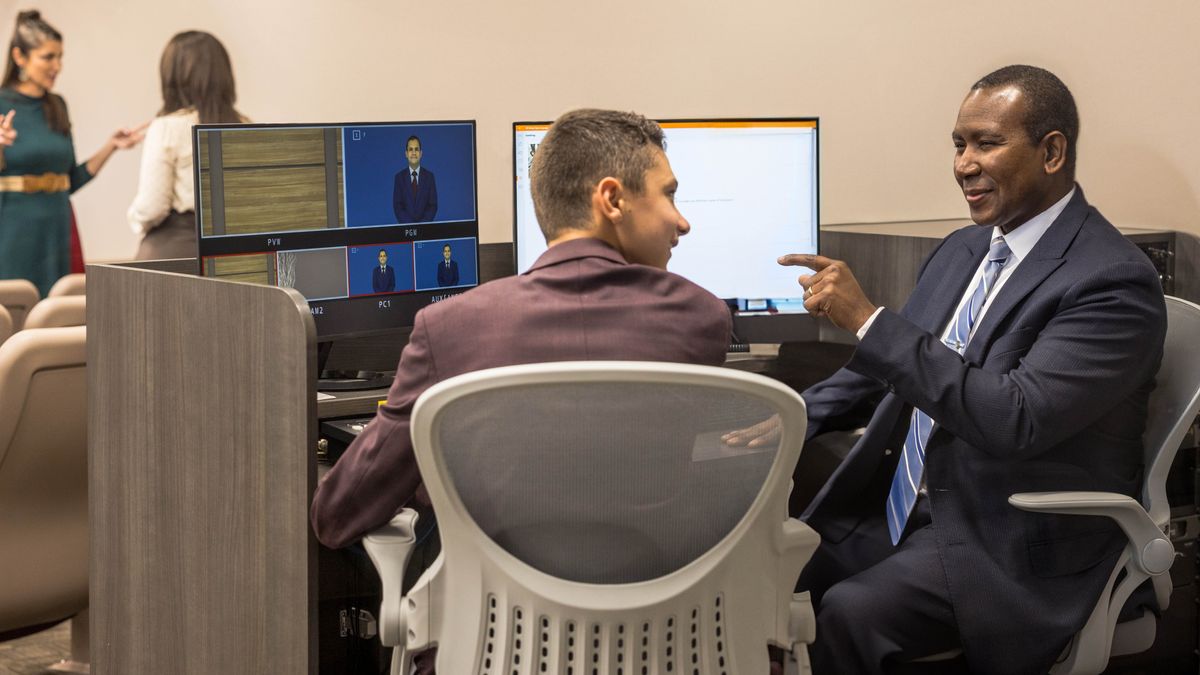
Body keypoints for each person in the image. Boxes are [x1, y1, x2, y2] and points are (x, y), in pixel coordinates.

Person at [726, 65, 1166, 675]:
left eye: (986, 143)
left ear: (1052, 152)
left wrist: (868, 320)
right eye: (959, 144)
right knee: (765, 582)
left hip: (1005, 536)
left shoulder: (1110, 283)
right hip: (909, 504)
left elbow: (1012, 418)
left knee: (850, 614)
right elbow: (884, 371)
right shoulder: (966, 247)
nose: (963, 163)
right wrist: (791, 418)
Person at [0, 10, 144, 296]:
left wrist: (110, 147)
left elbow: (71, 180)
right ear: (20, 57)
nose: (57, 66)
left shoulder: (57, 106)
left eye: (60, 56)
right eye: (48, 57)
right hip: (13, 230)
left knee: (58, 313)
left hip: (59, 229)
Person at [128, 30, 245, 260]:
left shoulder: (166, 127)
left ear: (172, 78)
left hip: (175, 252)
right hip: (233, 253)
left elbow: (152, 207)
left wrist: (135, 217)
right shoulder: (245, 126)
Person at [392, 135, 438, 223]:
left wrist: (421, 226)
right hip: (406, 231)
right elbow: (398, 206)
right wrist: (410, 226)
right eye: (410, 149)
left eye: (416, 149)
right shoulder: (399, 178)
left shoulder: (429, 177)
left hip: (425, 230)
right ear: (406, 153)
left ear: (421, 153)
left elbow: (433, 205)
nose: (413, 152)